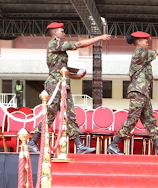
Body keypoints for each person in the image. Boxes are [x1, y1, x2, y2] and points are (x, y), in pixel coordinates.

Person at [29, 22, 111, 153]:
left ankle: (79, 145)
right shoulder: (54, 43)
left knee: (70, 114)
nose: (64, 33)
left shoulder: (57, 46)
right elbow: (78, 45)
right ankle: (32, 141)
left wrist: (76, 75)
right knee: (50, 115)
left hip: (62, 84)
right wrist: (99, 38)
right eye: (61, 31)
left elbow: (61, 69)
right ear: (55, 33)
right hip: (55, 85)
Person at [107, 30, 158, 156]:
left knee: (150, 120)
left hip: (143, 93)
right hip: (138, 92)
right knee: (132, 119)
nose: (147, 42)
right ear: (138, 42)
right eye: (144, 40)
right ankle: (114, 144)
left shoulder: (142, 53)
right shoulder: (140, 52)